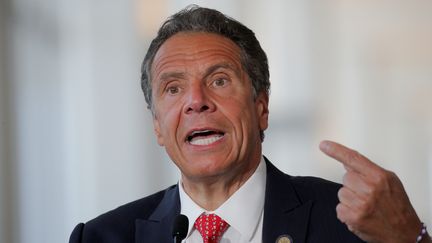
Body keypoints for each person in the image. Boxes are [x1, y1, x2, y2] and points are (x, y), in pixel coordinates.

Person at [69, 5, 431, 243]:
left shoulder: (350, 223)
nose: (196, 101)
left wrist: (411, 238)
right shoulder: (102, 237)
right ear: (158, 127)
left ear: (261, 107)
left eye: (220, 80)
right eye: (174, 88)